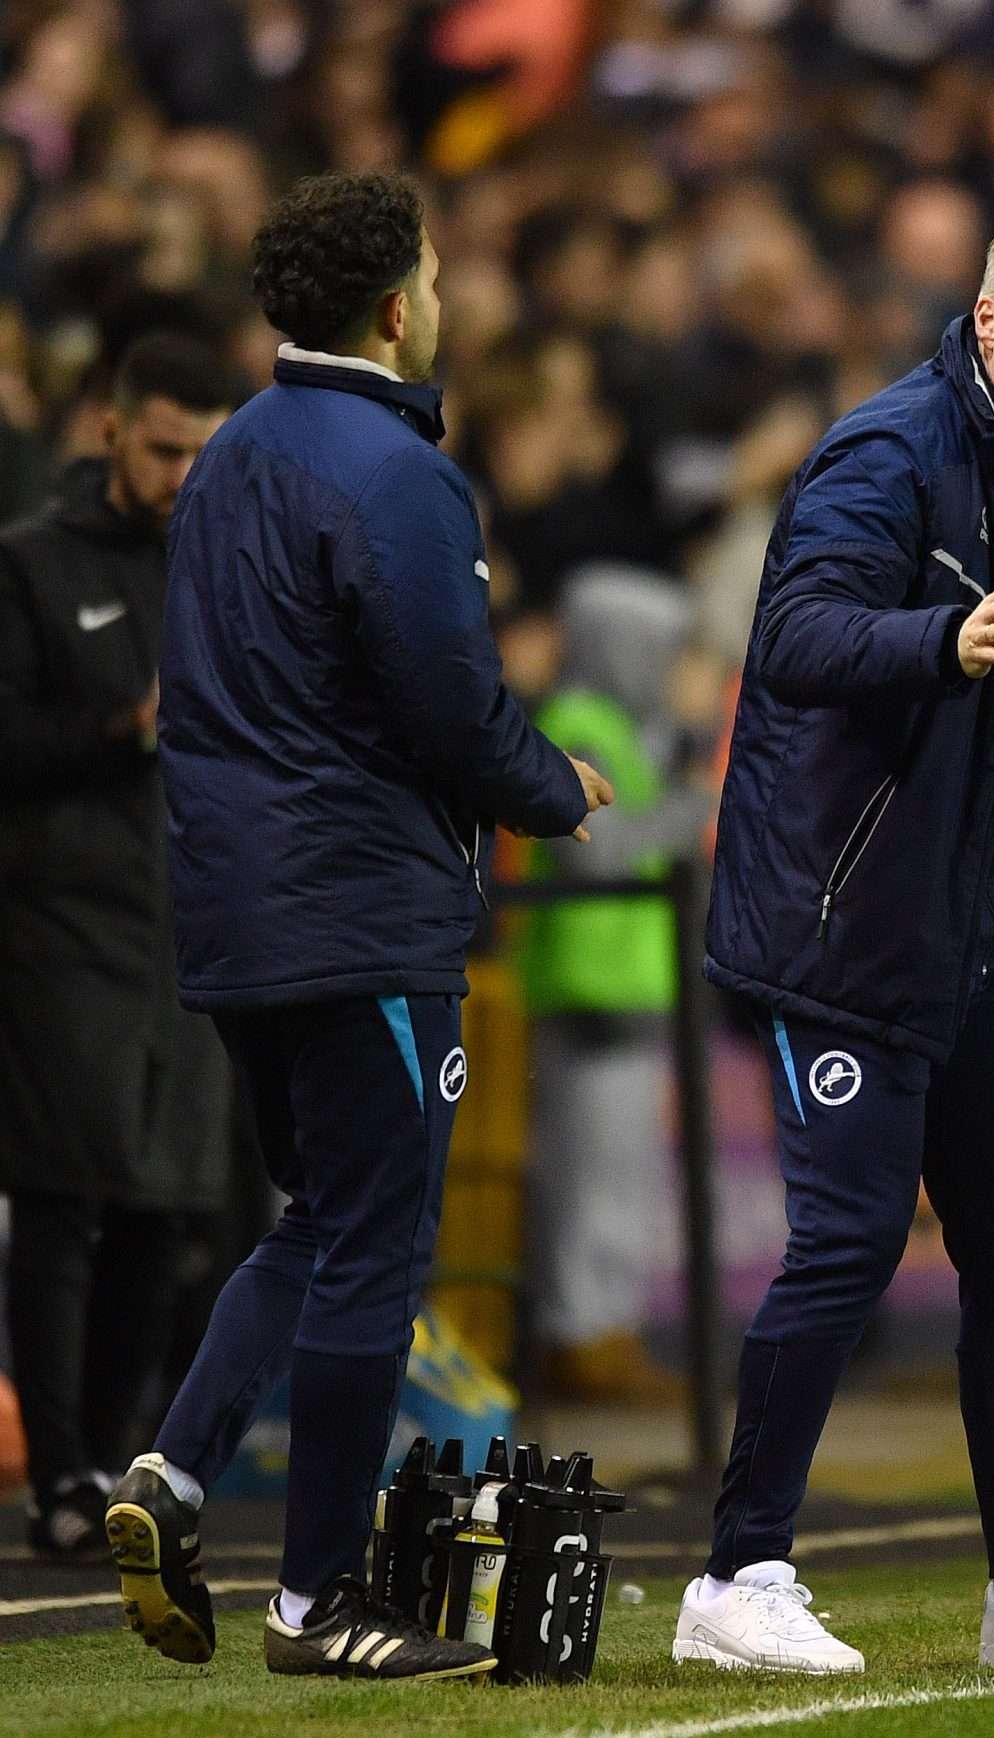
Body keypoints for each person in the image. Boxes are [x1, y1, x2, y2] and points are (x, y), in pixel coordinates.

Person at [104, 171, 612, 1681]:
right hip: (360, 912)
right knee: (378, 1250)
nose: (445, 300)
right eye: (438, 277)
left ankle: (175, 1473)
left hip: (236, 906)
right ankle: (317, 1597)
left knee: (315, 1218)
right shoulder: (392, 472)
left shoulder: (235, 454)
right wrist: (551, 788)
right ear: (398, 306)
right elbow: (448, 699)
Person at [677, 213, 994, 1679]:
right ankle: (738, 1570)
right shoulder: (888, 451)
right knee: (843, 1243)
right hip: (839, 919)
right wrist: (941, 640)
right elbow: (797, 635)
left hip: (966, 934)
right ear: (987, 315)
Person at [0, 332, 237, 1561]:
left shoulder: (227, 564)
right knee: (61, 1199)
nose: (184, 474)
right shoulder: (30, 568)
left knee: (168, 1210)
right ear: (109, 429)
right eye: (163, 448)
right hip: (63, 930)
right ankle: (56, 1475)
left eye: (205, 450)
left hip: (188, 928)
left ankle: (105, 1456)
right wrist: (121, 724)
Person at [518, 567, 718, 1403]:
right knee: (586, 1179)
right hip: (587, 991)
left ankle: (608, 1332)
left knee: (619, 1175)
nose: (679, 669)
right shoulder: (575, 723)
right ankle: (577, 1337)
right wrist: (689, 809)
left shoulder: (632, 731)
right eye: (666, 651)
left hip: (629, 993)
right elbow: (596, 847)